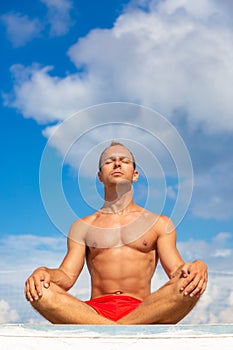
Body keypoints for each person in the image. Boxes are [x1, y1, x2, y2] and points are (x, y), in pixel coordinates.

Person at [25, 141, 208, 324]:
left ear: (135, 175)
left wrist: (197, 267)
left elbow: (177, 271)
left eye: (124, 161)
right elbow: (66, 276)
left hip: (144, 310)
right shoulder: (82, 226)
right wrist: (44, 272)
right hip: (93, 312)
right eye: (109, 161)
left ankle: (110, 331)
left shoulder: (159, 223)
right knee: (41, 289)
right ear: (99, 176)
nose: (117, 163)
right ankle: (121, 330)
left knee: (189, 282)